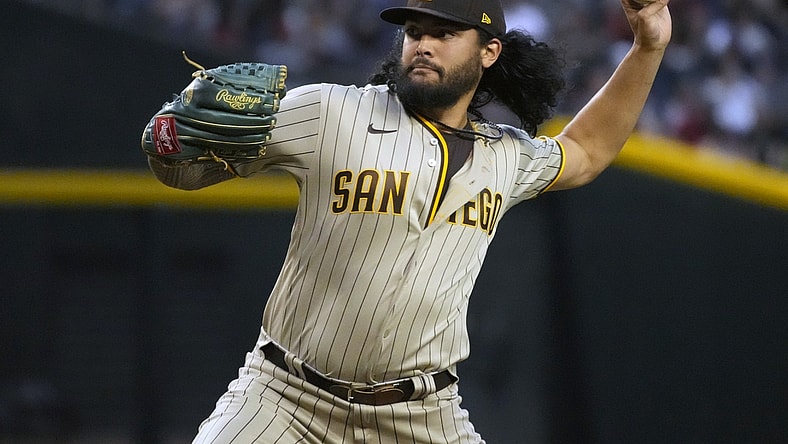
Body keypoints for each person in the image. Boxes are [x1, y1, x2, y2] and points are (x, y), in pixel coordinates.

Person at [146, 0, 672, 442]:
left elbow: (587, 149)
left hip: (420, 415)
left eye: (445, 33)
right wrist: (171, 144)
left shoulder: (505, 156)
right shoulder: (331, 112)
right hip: (285, 397)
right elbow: (185, 169)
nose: (424, 44)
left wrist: (648, 47)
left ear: (489, 51)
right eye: (414, 31)